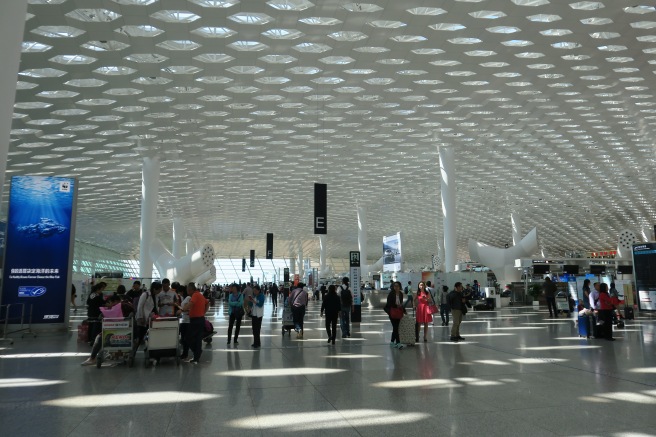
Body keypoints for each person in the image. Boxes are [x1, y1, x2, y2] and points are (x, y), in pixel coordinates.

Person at [81, 295, 133, 366]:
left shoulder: (117, 308)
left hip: (112, 331)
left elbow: (107, 314)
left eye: (109, 302)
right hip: (126, 332)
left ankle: (92, 358)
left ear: (115, 302)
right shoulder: (128, 305)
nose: (108, 305)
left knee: (99, 338)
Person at [185, 282, 209, 364]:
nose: (186, 291)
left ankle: (197, 353)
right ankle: (196, 356)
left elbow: (190, 304)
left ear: (190, 290)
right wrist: (203, 312)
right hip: (200, 319)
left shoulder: (195, 295)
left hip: (196, 320)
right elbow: (207, 302)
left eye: (187, 289)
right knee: (197, 339)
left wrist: (182, 309)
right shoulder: (200, 294)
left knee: (188, 338)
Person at [136, 281, 162, 347]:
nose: (160, 291)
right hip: (144, 318)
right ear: (154, 289)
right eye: (159, 290)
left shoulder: (155, 296)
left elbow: (155, 306)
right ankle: (138, 349)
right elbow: (140, 306)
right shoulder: (145, 294)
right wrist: (141, 317)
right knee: (141, 334)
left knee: (149, 334)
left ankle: (147, 347)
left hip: (152, 318)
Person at [384, 281, 406, 349]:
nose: (396, 287)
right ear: (393, 287)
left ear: (400, 287)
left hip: (398, 312)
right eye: (395, 286)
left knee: (395, 328)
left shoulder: (401, 294)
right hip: (392, 312)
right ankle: (398, 343)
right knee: (395, 327)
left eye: (397, 286)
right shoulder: (391, 294)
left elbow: (401, 303)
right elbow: (389, 303)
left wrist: (404, 310)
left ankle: (392, 342)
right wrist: (396, 305)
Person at [176, 285, 191, 360]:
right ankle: (184, 353)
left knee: (185, 338)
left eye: (179, 292)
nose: (179, 294)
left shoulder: (188, 298)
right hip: (184, 319)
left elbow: (188, 309)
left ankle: (185, 353)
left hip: (188, 320)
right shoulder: (184, 298)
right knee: (183, 337)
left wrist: (181, 310)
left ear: (182, 291)